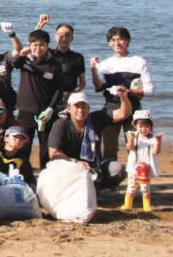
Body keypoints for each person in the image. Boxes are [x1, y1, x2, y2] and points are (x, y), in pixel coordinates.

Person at [91, 26, 155, 160]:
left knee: (137, 145)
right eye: (113, 40)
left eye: (121, 39)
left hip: (134, 106)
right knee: (109, 145)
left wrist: (128, 91)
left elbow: (150, 90)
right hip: (111, 107)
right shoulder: (105, 65)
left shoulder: (139, 62)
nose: (117, 43)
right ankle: (110, 175)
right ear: (109, 43)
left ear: (128, 41)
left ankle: (138, 175)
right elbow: (99, 86)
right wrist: (93, 70)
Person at [48, 91, 132, 191]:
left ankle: (99, 187)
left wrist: (123, 97)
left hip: (94, 168)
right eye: (77, 106)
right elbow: (53, 153)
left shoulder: (96, 119)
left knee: (119, 169)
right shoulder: (60, 125)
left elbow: (124, 113)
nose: (80, 110)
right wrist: (76, 162)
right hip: (69, 167)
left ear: (88, 109)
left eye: (84, 106)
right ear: (69, 109)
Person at [13, 29, 63, 169]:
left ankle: (45, 177)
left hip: (45, 113)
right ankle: (24, 178)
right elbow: (15, 63)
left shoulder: (55, 64)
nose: (38, 48)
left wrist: (50, 108)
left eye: (42, 45)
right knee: (23, 147)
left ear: (47, 45)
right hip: (25, 111)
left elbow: (59, 89)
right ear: (29, 45)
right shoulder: (25, 60)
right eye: (34, 45)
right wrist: (20, 55)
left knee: (45, 149)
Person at [36, 14, 87, 99]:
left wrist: (73, 94)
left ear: (72, 38)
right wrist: (41, 25)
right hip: (47, 96)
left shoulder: (78, 57)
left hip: (68, 98)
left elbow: (82, 83)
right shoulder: (47, 53)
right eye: (60, 35)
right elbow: (33, 43)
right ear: (55, 37)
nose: (64, 38)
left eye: (67, 35)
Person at [121, 110, 163, 211]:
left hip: (146, 167)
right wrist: (130, 138)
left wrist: (158, 141)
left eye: (146, 126)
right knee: (131, 186)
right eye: (141, 126)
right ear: (135, 125)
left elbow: (155, 152)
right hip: (134, 167)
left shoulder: (152, 138)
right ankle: (128, 204)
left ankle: (146, 205)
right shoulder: (133, 135)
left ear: (151, 127)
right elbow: (130, 147)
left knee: (145, 187)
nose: (143, 129)